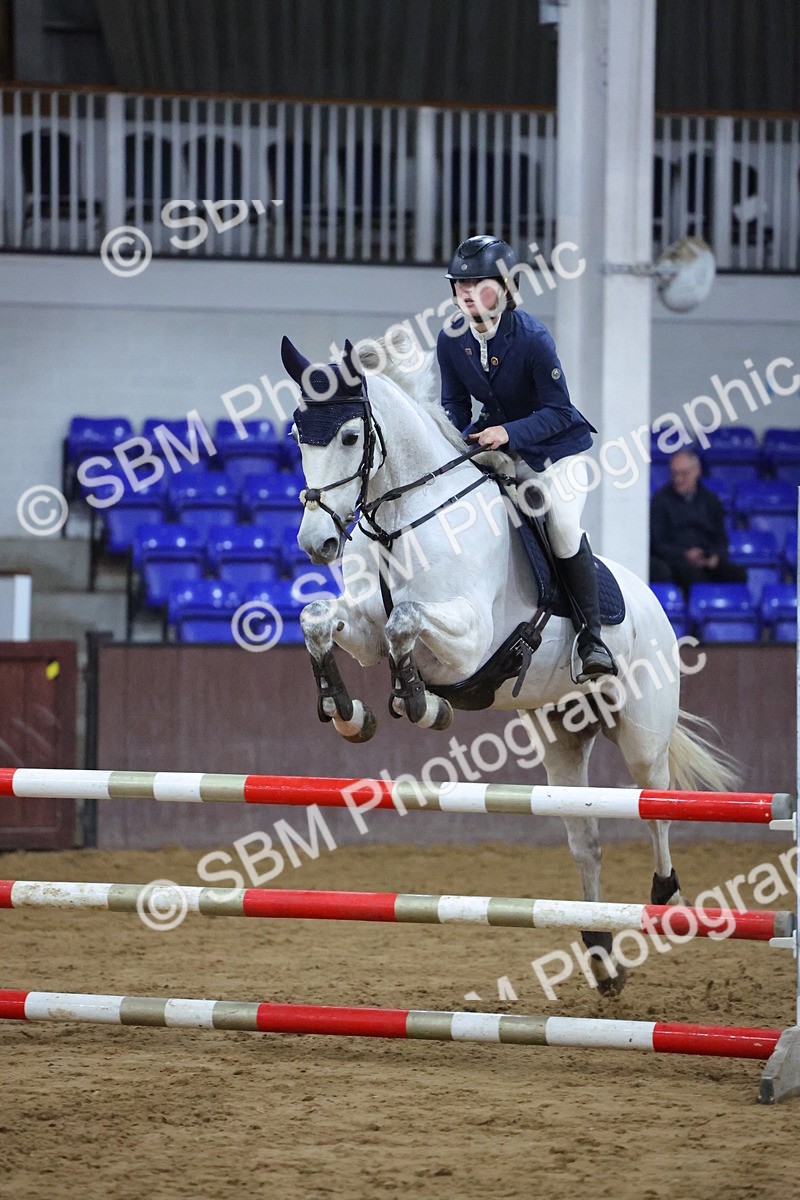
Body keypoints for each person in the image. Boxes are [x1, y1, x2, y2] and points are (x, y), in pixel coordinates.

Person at [436, 233, 615, 683]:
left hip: (557, 453)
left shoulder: (533, 338)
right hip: (503, 450)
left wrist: (507, 431)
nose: (469, 297)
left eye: (481, 287)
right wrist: (455, 439)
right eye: (462, 287)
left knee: (563, 526)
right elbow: (454, 403)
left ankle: (592, 639)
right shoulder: (450, 338)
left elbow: (558, 410)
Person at [650, 449, 747, 591]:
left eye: (683, 473)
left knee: (737, 574)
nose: (678, 479)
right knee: (691, 575)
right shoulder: (660, 501)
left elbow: (721, 539)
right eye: (674, 474)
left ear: (697, 471)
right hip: (677, 561)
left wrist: (714, 557)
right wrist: (685, 554)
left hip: (707, 559)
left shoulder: (711, 500)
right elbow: (658, 544)